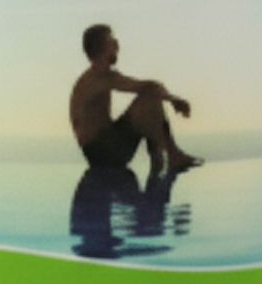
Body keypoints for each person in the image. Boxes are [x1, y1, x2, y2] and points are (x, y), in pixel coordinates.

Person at [69, 24, 200, 173]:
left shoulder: (95, 77)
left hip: (101, 150)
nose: (117, 46)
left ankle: (161, 157)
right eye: (112, 42)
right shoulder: (98, 78)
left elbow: (149, 86)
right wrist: (174, 100)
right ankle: (171, 155)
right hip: (104, 153)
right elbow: (149, 86)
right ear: (101, 47)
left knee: (150, 99)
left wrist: (170, 98)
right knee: (149, 100)